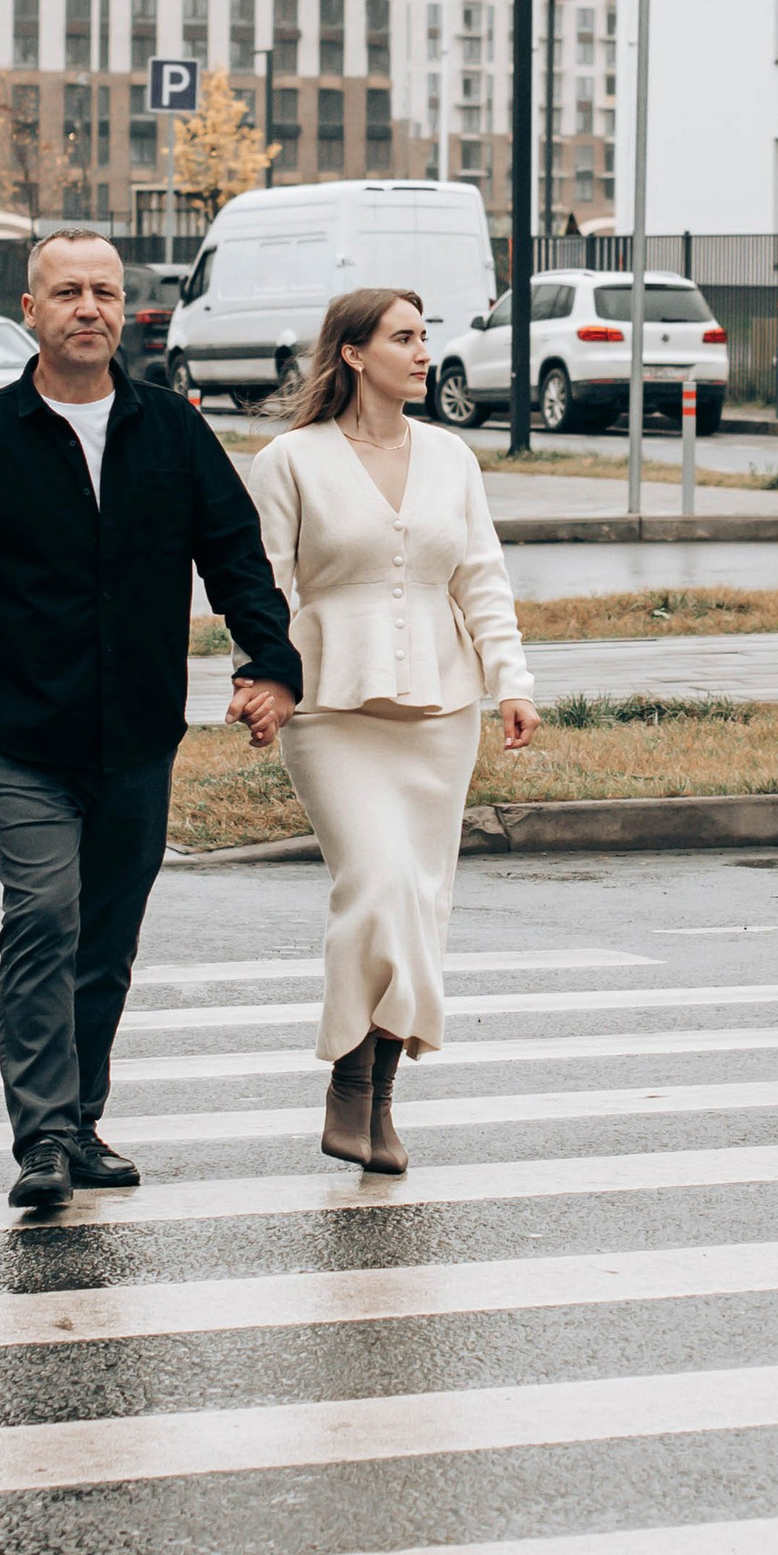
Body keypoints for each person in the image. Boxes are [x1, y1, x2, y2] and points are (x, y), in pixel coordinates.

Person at [0, 229, 303, 1217]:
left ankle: (79, 1118)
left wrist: (269, 663)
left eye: (105, 292)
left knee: (107, 938)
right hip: (27, 735)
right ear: (30, 310)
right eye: (68, 291)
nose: (89, 308)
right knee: (43, 917)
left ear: (125, 310)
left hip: (140, 733)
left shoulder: (173, 431)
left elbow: (236, 556)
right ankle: (40, 1133)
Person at [245, 285, 536, 1173]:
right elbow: (265, 586)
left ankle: (381, 1096)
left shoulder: (450, 456)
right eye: (403, 338)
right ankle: (348, 1079)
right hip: (332, 709)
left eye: (423, 337)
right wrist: (262, 678)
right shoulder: (289, 461)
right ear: (353, 353)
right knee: (375, 882)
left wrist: (511, 681)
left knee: (420, 898)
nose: (422, 353)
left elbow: (480, 577)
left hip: (442, 712)